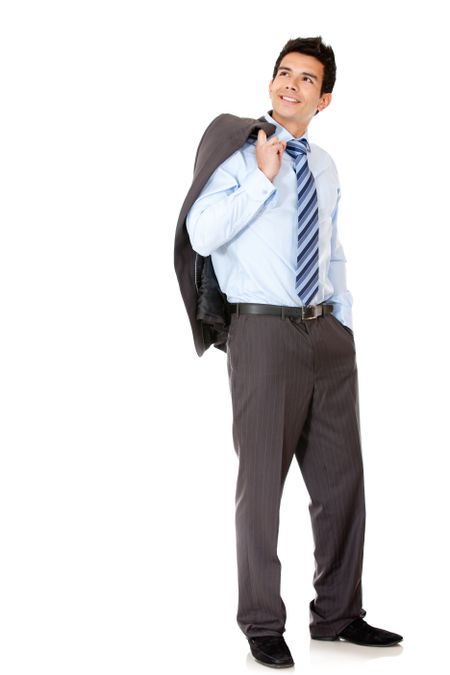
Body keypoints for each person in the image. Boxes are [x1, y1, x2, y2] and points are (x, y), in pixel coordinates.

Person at [174, 36, 403, 668]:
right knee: (261, 485)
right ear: (272, 83)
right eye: (283, 73)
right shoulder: (240, 152)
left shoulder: (326, 165)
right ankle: (261, 622)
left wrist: (344, 323)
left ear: (324, 99)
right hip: (265, 334)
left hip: (326, 336)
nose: (291, 85)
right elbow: (200, 231)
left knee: (342, 483)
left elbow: (330, 249)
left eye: (306, 79)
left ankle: (338, 615)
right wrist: (261, 181)